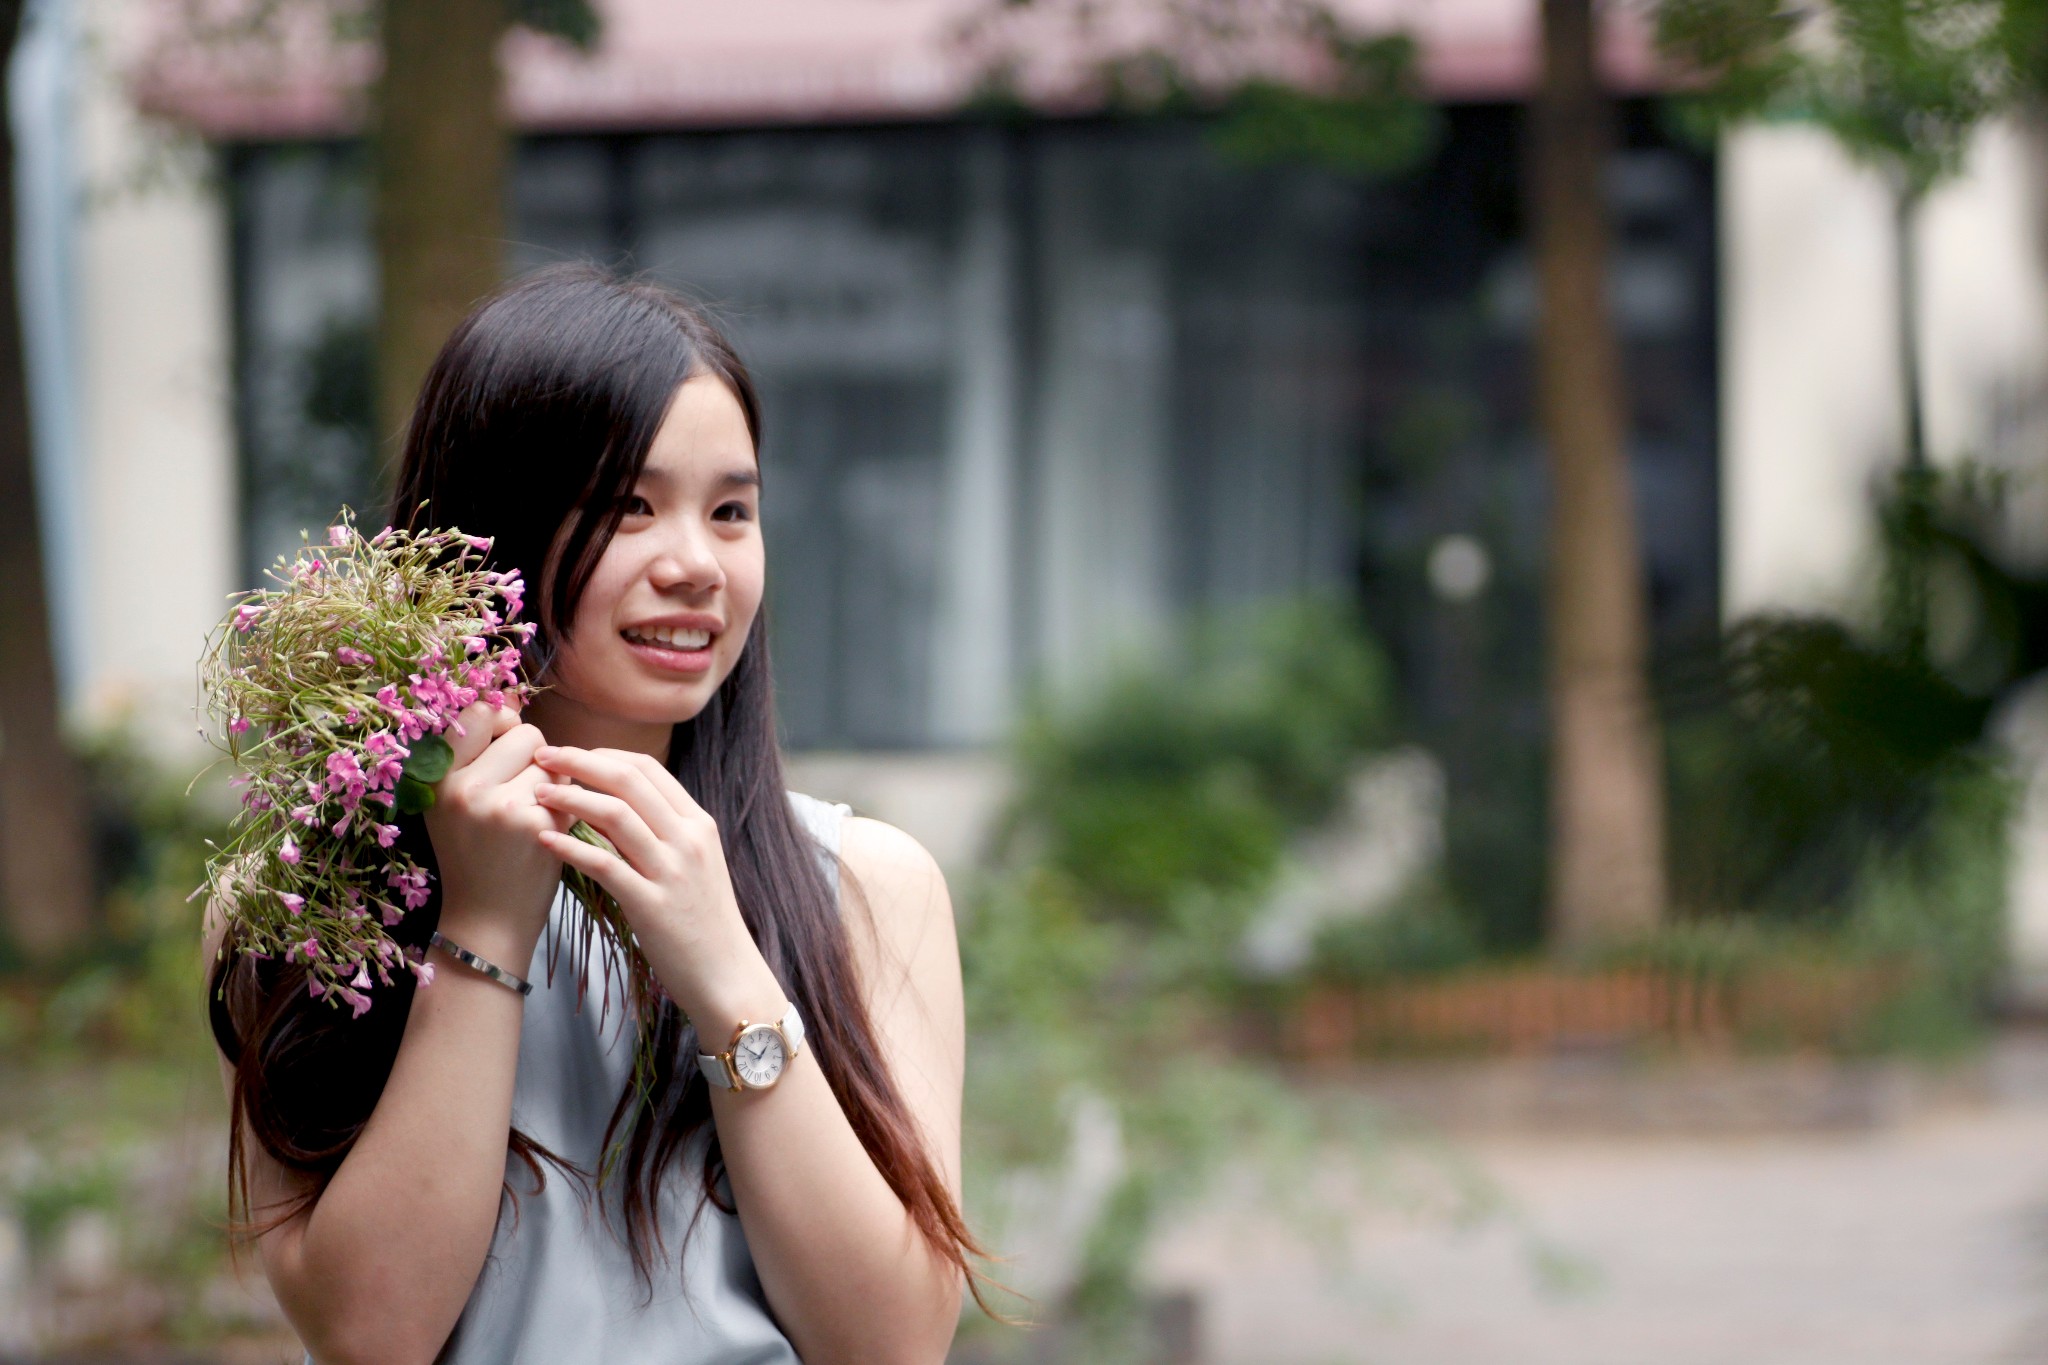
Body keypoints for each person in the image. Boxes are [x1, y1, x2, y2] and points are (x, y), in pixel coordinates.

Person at [204, 263, 988, 1364]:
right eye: (625, 508)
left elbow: (894, 1343)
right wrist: (482, 927)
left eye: (730, 511)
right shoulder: (324, 902)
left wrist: (722, 967)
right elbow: (369, 1333)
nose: (695, 567)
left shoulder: (862, 886)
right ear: (483, 537)